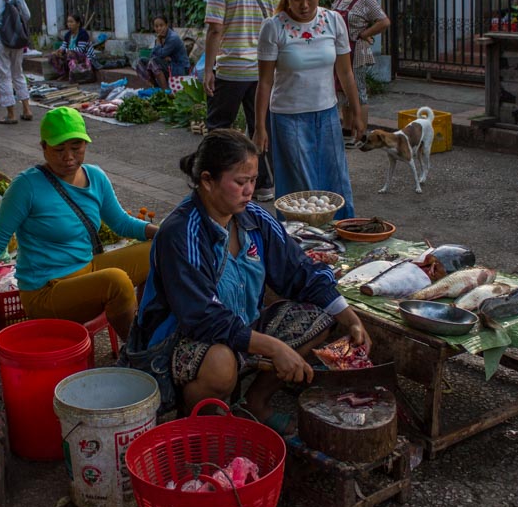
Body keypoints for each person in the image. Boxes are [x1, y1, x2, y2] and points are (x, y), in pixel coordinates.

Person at [129, 129, 371, 428]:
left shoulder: (255, 218)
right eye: (240, 182)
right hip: (183, 342)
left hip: (242, 327)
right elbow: (201, 316)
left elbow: (300, 271)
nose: (249, 191)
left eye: (253, 181)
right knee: (220, 365)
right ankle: (203, 425)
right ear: (207, 180)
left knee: (320, 315)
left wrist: (351, 319)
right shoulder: (181, 232)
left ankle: (255, 404)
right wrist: (273, 347)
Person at [0, 107, 158, 339]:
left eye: (76, 147)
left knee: (161, 249)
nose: (68, 156)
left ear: (86, 144)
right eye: (59, 149)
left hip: (87, 269)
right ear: (44, 147)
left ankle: (152, 327)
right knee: (117, 281)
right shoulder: (26, 187)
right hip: (47, 291)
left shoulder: (96, 177)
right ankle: (135, 349)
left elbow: (122, 223)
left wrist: (165, 232)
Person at [254, 0, 360, 220]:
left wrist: (356, 112)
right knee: (302, 188)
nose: (304, 5)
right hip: (288, 118)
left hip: (327, 115)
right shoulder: (273, 28)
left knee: (336, 180)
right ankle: (299, 243)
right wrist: (259, 127)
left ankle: (340, 238)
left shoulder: (333, 21)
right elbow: (265, 81)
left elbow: (345, 72)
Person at [204, 0, 279, 202]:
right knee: (259, 126)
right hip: (262, 72)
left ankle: (215, 179)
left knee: (218, 126)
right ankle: (264, 182)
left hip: (232, 70)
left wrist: (208, 69)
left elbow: (215, 30)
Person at [331, 0, 390, 148]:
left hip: (356, 52)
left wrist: (365, 34)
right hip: (340, 51)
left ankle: (361, 133)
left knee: (358, 92)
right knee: (343, 91)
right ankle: (347, 129)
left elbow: (384, 21)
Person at [135, 15, 189, 89]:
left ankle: (165, 91)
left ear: (166, 25)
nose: (159, 28)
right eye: (156, 26)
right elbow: (152, 55)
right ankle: (155, 86)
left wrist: (158, 44)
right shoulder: (159, 37)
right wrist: (161, 53)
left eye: (161, 25)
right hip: (168, 65)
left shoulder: (173, 38)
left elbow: (160, 54)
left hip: (180, 68)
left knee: (154, 62)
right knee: (140, 62)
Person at [50, 12, 94, 81]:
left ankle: (74, 75)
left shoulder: (82, 34)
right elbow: (63, 46)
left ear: (78, 24)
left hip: (84, 56)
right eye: (68, 22)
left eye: (71, 22)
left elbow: (81, 50)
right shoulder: (68, 35)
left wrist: (65, 51)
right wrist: (60, 50)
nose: (69, 24)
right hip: (70, 54)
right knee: (53, 55)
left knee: (70, 54)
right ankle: (64, 74)